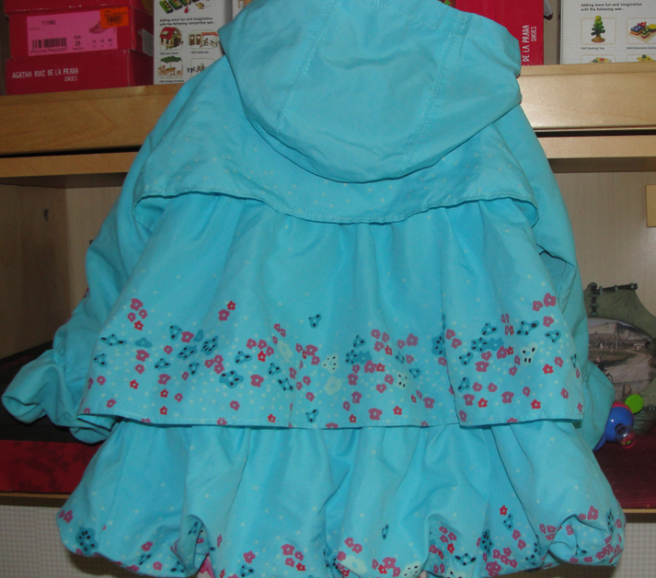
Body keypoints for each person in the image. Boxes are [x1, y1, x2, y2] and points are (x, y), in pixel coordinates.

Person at [2, 0, 623, 576]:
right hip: (450, 461)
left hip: (234, 454)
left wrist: (76, 382)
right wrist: (576, 411)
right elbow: (552, 273)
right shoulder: (484, 108)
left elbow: (130, 250)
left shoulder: (214, 92)